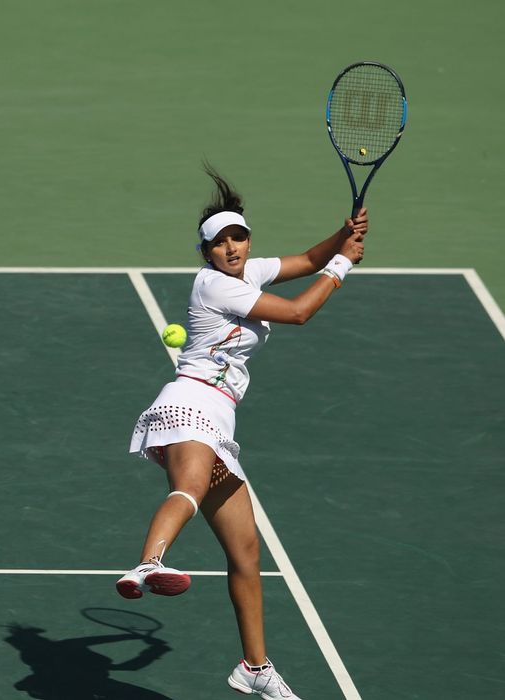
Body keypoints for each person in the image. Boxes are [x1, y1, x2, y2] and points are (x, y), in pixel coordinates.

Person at [116, 166, 367, 699]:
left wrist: (341, 237)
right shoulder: (213, 286)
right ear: (205, 253)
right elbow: (299, 311)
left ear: (247, 240)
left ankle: (254, 668)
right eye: (219, 242)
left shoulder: (247, 273)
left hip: (220, 421)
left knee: (246, 553)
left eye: (238, 237)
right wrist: (344, 264)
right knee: (188, 487)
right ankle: (148, 563)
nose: (230, 248)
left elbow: (306, 261)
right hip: (189, 407)